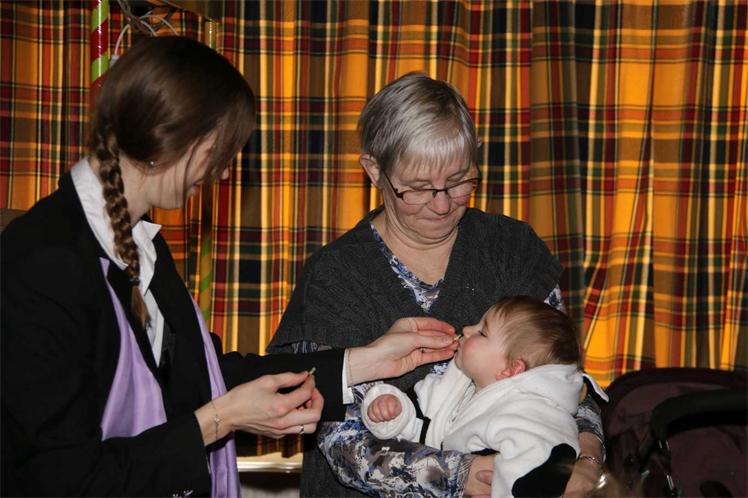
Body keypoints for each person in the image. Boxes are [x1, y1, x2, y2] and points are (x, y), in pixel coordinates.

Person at [0, 37, 460, 497]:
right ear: (172, 135)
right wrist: (221, 419)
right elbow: (58, 477)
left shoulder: (140, 243)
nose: (222, 173)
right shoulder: (42, 263)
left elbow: (206, 375)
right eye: (220, 152)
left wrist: (367, 360)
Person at [267, 72, 606, 497]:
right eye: (419, 188)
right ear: (375, 170)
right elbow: (341, 442)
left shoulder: (512, 249)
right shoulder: (335, 277)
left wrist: (588, 457)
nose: (443, 204)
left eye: (460, 180)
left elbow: (561, 379)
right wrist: (462, 474)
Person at [363, 296, 607, 498]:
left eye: (482, 332)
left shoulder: (533, 413)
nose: (467, 329)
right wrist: (395, 409)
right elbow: (423, 419)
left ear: (511, 369)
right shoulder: (458, 386)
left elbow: (540, 467)